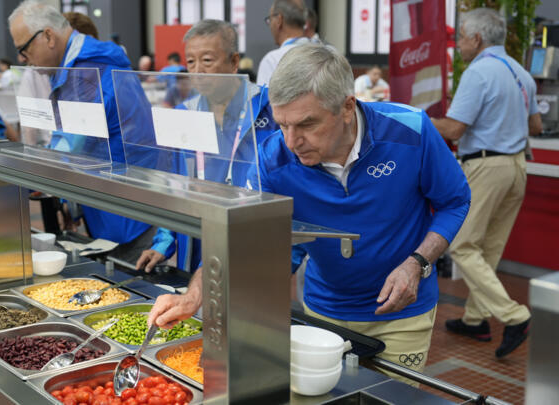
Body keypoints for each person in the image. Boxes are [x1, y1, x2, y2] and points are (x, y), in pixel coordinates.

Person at [148, 43, 471, 380]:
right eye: (282, 125)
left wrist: (417, 263)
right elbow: (238, 235)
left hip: (403, 314)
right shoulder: (272, 158)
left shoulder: (411, 130)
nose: (292, 141)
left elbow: (455, 201)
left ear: (347, 107)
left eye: (306, 124)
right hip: (323, 310)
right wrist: (195, 296)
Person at [431, 8, 542, 358]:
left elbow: (453, 129)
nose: (459, 43)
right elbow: (536, 127)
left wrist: (416, 118)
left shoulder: (478, 72)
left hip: (486, 166)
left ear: (477, 39)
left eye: (461, 36)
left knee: (462, 244)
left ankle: (516, 316)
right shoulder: (522, 73)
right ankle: (476, 319)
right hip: (517, 167)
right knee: (489, 248)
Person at [8, 0, 155, 262]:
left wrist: (22, 173)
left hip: (127, 208)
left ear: (48, 37)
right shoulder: (78, 65)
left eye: (24, 48)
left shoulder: (87, 70)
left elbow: (70, 145)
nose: (22, 58)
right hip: (113, 199)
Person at [135, 20, 279, 273]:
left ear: (234, 62)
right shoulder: (185, 113)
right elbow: (175, 184)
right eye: (191, 62)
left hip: (253, 236)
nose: (198, 70)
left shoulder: (269, 108)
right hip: (199, 238)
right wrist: (164, 241)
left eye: (208, 60)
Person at [256, 0, 309, 86]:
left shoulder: (272, 60)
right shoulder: (329, 52)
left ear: (279, 20)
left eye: (270, 19)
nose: (269, 25)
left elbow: (263, 99)